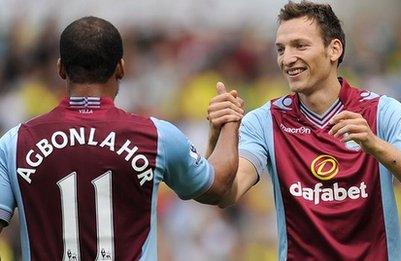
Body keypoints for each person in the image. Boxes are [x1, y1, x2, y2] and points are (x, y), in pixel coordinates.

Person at [206, 1, 401, 260]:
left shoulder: (383, 111)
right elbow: (224, 193)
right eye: (281, 49)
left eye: (300, 45)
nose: (287, 59)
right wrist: (217, 139)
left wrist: (374, 145)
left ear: (333, 49)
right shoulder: (265, 121)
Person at [0, 16, 243, 260]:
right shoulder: (156, 136)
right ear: (121, 68)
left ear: (61, 69)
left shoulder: (16, 142)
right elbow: (218, 186)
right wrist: (230, 120)